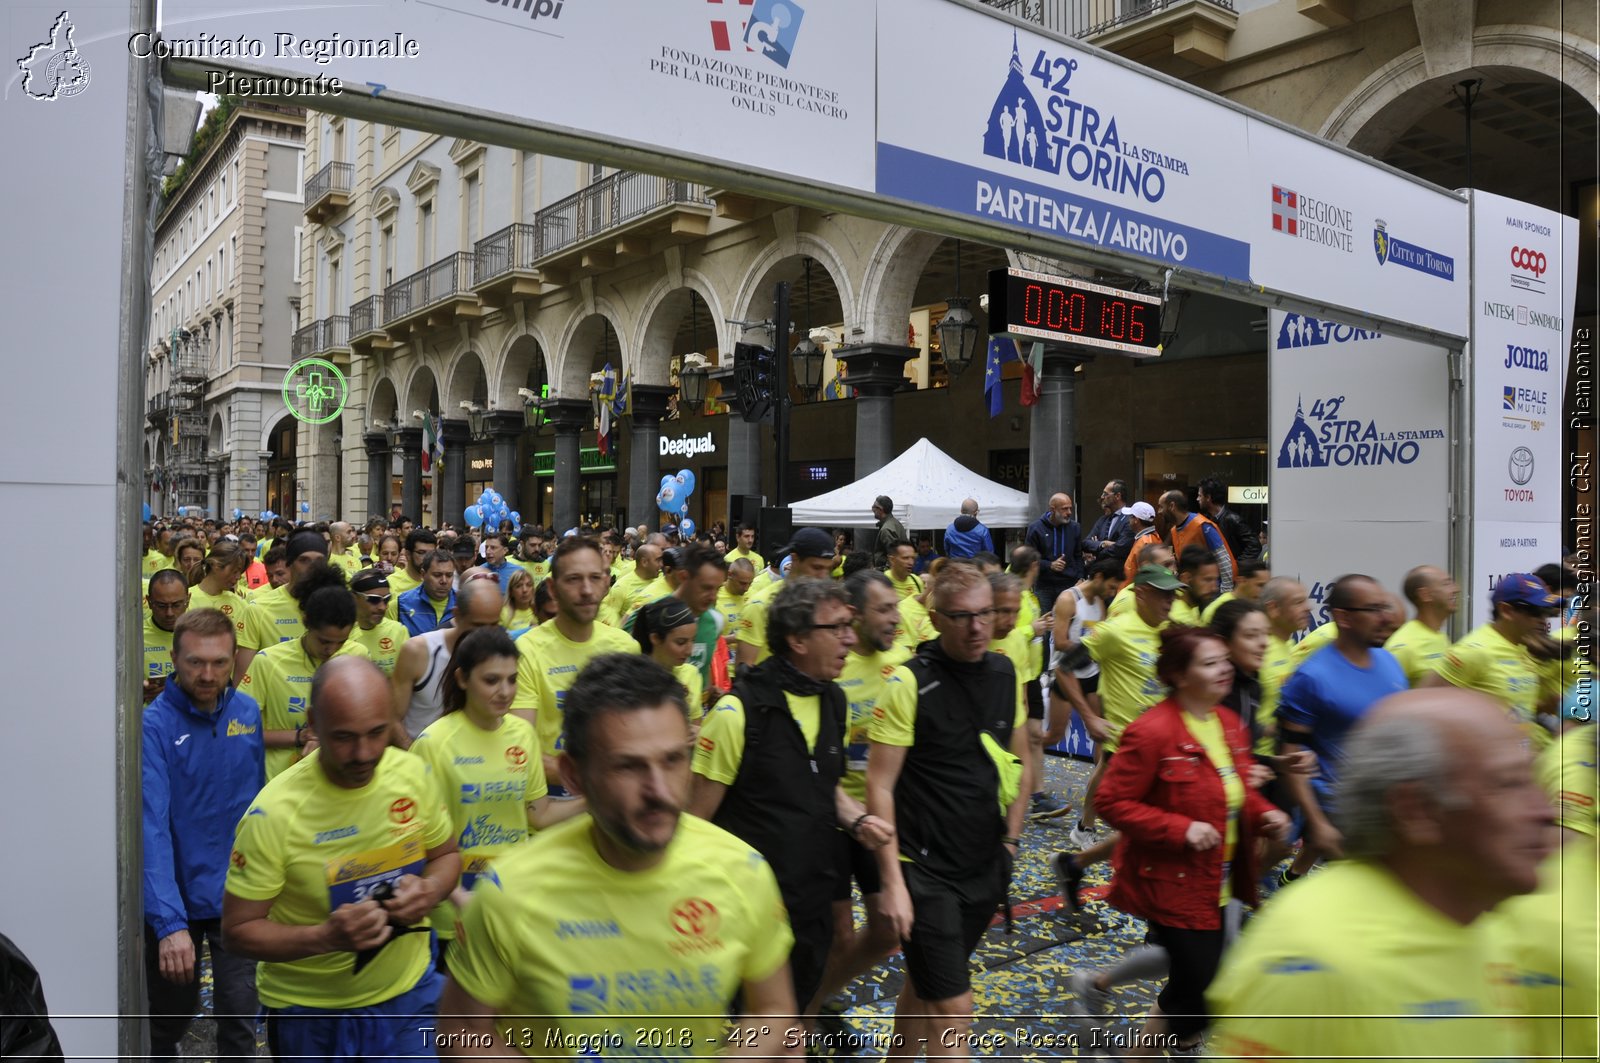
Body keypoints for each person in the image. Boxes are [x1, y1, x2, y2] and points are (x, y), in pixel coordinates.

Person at [433, 654, 801, 1058]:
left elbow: (774, 1010)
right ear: (574, 776)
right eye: (629, 767)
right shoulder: (509, 894)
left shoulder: (743, 870)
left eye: (673, 760)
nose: (659, 790)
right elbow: (461, 1033)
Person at [1207, 688, 1555, 1062]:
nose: (1544, 811)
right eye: (1508, 784)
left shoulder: (1486, 911)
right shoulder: (1311, 961)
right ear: (1416, 810)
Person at [222, 656, 460, 1060]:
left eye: (376, 733)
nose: (364, 753)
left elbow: (447, 856)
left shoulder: (412, 775)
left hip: (409, 996)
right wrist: (324, 938)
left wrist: (430, 889)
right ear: (314, 723)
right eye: (345, 737)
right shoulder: (274, 815)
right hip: (311, 1014)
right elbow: (238, 931)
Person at [1071, 626, 1289, 1056]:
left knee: (1196, 993)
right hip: (1176, 885)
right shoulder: (1153, 731)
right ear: (1179, 676)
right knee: (1204, 989)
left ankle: (1147, 1047)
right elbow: (1113, 802)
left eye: (1224, 660)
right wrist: (1180, 828)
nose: (1224, 670)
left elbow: (1236, 790)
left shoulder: (1227, 724)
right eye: (1210, 664)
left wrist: (1267, 815)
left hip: (1224, 882)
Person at [691, 578, 889, 1015]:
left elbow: (821, 783)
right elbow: (694, 825)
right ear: (798, 639)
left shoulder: (833, 700)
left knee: (792, 1028)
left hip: (810, 906)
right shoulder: (736, 713)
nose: (850, 639)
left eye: (851, 626)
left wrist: (857, 820)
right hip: (749, 918)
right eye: (837, 628)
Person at [868, 562, 1029, 1058]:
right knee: (955, 1007)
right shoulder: (909, 683)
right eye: (962, 617)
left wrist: (1010, 841)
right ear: (936, 620)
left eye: (985, 614)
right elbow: (879, 785)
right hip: (925, 869)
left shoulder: (1005, 672)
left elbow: (1020, 762)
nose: (977, 627)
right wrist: (893, 881)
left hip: (983, 863)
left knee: (927, 984)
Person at [409, 627, 586, 966]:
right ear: (462, 679)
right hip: (455, 913)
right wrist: (461, 901)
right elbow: (417, 844)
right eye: (491, 680)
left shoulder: (522, 734)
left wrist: (592, 800)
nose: (505, 692)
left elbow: (538, 814)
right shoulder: (434, 744)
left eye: (512, 680)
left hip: (513, 901)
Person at [142, 608, 263, 1062]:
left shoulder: (247, 712)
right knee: (168, 1019)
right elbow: (150, 827)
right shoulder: (153, 727)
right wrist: (170, 924)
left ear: (235, 659)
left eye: (219, 662)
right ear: (174, 658)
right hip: (175, 899)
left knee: (240, 1017)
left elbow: (258, 810)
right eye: (195, 662)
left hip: (236, 896)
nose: (208, 674)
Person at [1051, 564, 1180, 907]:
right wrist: (1090, 717)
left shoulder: (1173, 631)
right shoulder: (1114, 631)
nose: (1171, 600)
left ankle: (1074, 864)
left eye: (1173, 594)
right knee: (1157, 829)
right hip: (1129, 747)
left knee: (1153, 829)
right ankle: (1153, 906)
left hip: (1169, 747)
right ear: (1141, 594)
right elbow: (1064, 670)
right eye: (1163, 594)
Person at [815, 570, 908, 1023]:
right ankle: (811, 1015)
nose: (896, 619)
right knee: (839, 935)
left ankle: (813, 1001)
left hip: (878, 819)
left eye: (897, 608)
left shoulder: (906, 664)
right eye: (885, 610)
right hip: (832, 819)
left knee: (887, 926)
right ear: (855, 614)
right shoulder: (831, 663)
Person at [1274, 574, 1408, 886]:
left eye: (1384, 607)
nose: (1385, 617)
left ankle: (1290, 881)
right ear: (1343, 617)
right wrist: (1317, 824)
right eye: (1373, 609)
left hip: (1387, 809)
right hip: (1341, 812)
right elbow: (1292, 757)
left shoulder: (1389, 662)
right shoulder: (1311, 677)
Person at [511, 537, 640, 793]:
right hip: (548, 795)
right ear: (553, 588)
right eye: (573, 579)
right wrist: (597, 780)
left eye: (595, 578)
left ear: (606, 582)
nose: (587, 590)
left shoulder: (626, 647)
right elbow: (520, 750)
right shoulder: (525, 651)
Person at [242, 580, 370, 780]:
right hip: (278, 781)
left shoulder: (358, 656)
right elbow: (239, 731)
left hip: (337, 779)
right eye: (324, 641)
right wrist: (299, 737)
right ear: (306, 621)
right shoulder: (267, 662)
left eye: (341, 642)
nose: (331, 650)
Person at [1426, 572, 1560, 749]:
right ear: (1507, 611)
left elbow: (1510, 706)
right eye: (1535, 612)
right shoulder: (1473, 651)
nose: (1543, 620)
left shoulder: (1522, 646)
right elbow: (1425, 710)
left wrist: (1542, 706)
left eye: (1547, 612)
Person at [1049, 559, 1123, 841]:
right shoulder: (1069, 598)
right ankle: (1025, 760)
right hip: (1066, 671)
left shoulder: (1100, 605)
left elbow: (1099, 636)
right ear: (1100, 576)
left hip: (1090, 672)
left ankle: (1099, 791)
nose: (1112, 591)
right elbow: (1060, 642)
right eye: (1112, 585)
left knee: (1101, 734)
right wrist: (1094, 645)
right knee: (1055, 734)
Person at [390, 574, 507, 746]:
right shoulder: (418, 651)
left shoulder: (501, 656)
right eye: (478, 626)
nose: (487, 635)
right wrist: (418, 759)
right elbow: (392, 719)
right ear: (457, 615)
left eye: (494, 625)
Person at [734, 528, 838, 671]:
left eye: (828, 570)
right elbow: (744, 670)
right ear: (794, 559)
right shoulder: (760, 606)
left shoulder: (828, 606)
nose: (823, 576)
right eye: (816, 567)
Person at [237, 530, 338, 675]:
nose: (313, 567)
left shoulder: (338, 606)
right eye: (304, 560)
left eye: (319, 561)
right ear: (289, 563)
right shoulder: (258, 609)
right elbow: (241, 684)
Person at [1381, 564, 1457, 686]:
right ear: (1425, 595)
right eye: (1446, 584)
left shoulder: (1438, 634)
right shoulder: (1404, 646)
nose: (1455, 589)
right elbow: (1384, 696)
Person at [633, 596, 705, 725]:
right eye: (681, 642)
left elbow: (696, 722)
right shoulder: (632, 680)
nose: (689, 651)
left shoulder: (691, 674)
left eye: (693, 640)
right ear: (655, 638)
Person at [1159, 489, 1236, 593]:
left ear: (1172, 506)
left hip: (1212, 591)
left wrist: (1226, 592)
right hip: (1193, 591)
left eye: (1161, 507)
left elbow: (1223, 558)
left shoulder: (1202, 525)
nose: (1159, 511)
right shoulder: (1174, 531)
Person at [1025, 492, 1083, 612]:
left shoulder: (1075, 528)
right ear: (1053, 509)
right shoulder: (1036, 528)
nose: (1069, 512)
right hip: (1044, 584)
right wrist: (1050, 565)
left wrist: (1081, 576)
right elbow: (1029, 558)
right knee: (1045, 623)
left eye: (1070, 508)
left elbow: (1078, 555)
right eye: (1064, 509)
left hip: (1069, 584)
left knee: (1068, 623)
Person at [348, 568, 409, 675]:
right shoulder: (340, 633)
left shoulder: (398, 631)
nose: (382, 607)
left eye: (386, 599)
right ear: (353, 598)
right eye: (374, 599)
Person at [186, 539, 250, 641]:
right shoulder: (186, 599)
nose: (238, 577)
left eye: (240, 572)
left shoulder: (240, 603)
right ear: (215, 565)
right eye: (234, 571)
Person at [144, 570, 190, 704]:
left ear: (188, 599)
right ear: (149, 602)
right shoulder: (135, 638)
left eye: (176, 605)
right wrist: (138, 693)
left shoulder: (202, 635)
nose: (169, 613)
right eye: (161, 606)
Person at [1196, 476, 1261, 564]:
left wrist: (1235, 566)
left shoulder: (1233, 519)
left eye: (1200, 495)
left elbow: (1254, 546)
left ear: (1208, 497)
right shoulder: (1206, 519)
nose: (1198, 499)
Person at [597, 542, 664, 628]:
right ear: (644, 562)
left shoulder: (661, 579)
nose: (661, 564)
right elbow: (611, 622)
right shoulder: (621, 587)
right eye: (657, 560)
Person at [396, 548, 457, 637]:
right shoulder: (402, 603)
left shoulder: (464, 604)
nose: (444, 581)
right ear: (423, 574)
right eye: (437, 575)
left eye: (449, 575)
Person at [1199, 557, 1270, 626]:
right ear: (1241, 581)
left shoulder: (1260, 608)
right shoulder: (1217, 609)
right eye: (1260, 585)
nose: (1264, 591)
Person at [1084, 480, 1133, 567]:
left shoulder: (1130, 518)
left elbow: (1120, 549)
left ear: (1117, 496)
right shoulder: (1103, 519)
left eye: (1105, 494)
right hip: (1100, 571)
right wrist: (1103, 544)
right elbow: (1086, 543)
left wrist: (1096, 550)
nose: (1102, 497)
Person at [1120, 501, 1160, 587]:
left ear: (1136, 520)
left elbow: (1146, 577)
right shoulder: (1154, 537)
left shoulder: (1145, 542)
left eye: (1131, 517)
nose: (1129, 520)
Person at [871, 494, 907, 570]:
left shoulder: (886, 529)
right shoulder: (895, 523)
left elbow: (894, 557)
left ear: (880, 509)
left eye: (874, 507)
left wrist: (880, 571)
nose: (872, 509)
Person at [501, 567, 537, 634]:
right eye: (518, 586)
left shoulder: (539, 611)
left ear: (533, 589)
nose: (524, 590)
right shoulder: (503, 613)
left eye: (529, 585)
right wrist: (529, 630)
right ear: (511, 592)